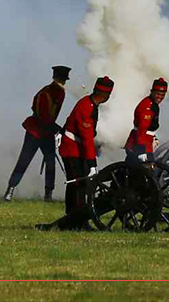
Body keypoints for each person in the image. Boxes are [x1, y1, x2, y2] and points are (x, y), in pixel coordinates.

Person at [5, 65, 70, 202]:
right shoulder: (44, 93)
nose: (63, 82)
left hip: (47, 133)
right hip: (35, 132)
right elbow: (44, 117)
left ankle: (48, 193)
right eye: (62, 79)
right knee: (24, 161)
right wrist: (58, 129)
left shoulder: (60, 93)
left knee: (51, 163)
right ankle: (10, 189)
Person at [57, 76, 112, 229]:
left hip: (77, 146)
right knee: (78, 184)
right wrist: (92, 164)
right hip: (72, 148)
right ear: (105, 95)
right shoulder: (86, 107)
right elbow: (87, 138)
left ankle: (72, 218)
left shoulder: (90, 104)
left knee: (77, 184)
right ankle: (77, 220)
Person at [126, 78, 167, 165]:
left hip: (146, 142)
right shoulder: (147, 106)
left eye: (162, 94)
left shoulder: (153, 104)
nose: (160, 97)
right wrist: (141, 150)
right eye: (157, 94)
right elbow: (142, 129)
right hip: (139, 144)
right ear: (151, 91)